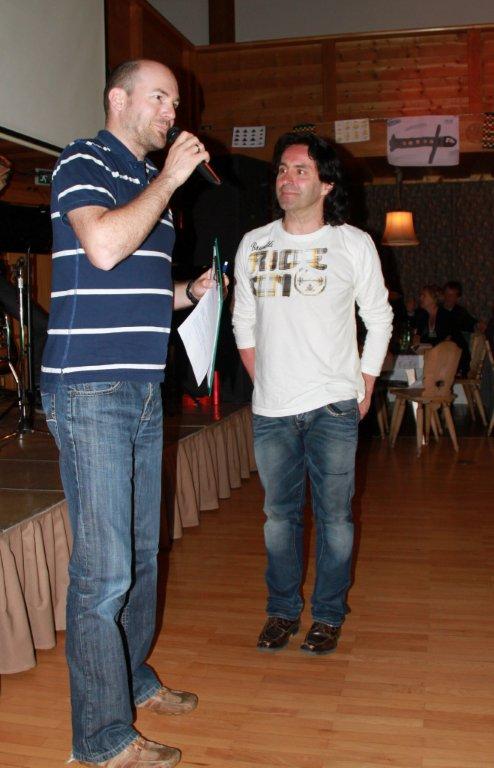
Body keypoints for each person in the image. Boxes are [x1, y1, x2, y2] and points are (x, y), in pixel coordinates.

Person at [41, 59, 219, 768]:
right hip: (90, 390)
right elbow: (105, 246)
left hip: (142, 389)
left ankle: (132, 678)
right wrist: (169, 179)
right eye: (160, 98)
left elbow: (140, 285)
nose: (173, 112)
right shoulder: (82, 160)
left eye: (176, 102)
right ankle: (100, 741)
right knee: (104, 572)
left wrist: (190, 293)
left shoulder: (151, 187)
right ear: (118, 99)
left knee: (143, 557)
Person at [232, 132, 393, 655]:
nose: (287, 178)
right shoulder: (254, 243)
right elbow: (243, 321)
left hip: (332, 406)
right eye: (282, 169)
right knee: (279, 519)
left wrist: (365, 382)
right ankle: (281, 612)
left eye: (301, 170)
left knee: (335, 520)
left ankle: (327, 614)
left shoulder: (353, 243)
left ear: (326, 184)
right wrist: (263, 377)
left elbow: (380, 318)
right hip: (272, 409)